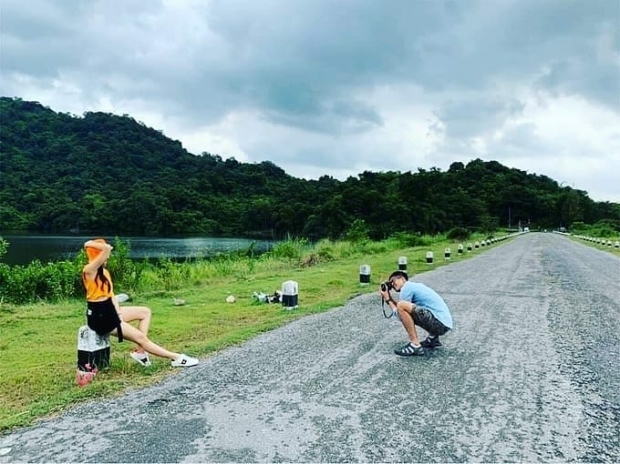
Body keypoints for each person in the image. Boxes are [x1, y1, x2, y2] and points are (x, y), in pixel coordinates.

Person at [82, 238, 199, 367]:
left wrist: (119, 315)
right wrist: (88, 244)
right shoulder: (89, 270)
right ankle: (176, 358)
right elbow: (107, 248)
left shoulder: (104, 272)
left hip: (108, 311)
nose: (108, 257)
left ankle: (140, 352)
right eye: (103, 254)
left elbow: (112, 296)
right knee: (141, 338)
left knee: (145, 312)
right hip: (100, 317)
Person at [379, 270, 453, 357]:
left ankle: (415, 345)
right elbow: (405, 311)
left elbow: (401, 314)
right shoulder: (414, 286)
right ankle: (433, 339)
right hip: (443, 324)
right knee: (404, 306)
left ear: (402, 279)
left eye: (393, 281)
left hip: (440, 323)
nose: (392, 285)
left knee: (401, 305)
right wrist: (390, 299)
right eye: (390, 284)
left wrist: (388, 300)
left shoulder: (406, 287)